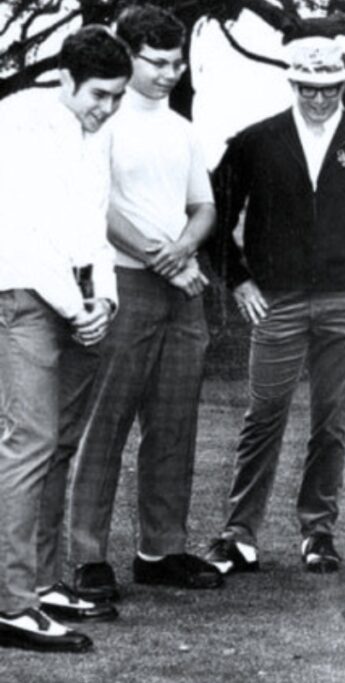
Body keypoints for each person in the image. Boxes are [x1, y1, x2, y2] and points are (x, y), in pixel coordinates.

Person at [203, 36, 345, 575]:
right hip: (277, 301)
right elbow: (213, 213)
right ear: (292, 83)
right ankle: (239, 535)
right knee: (263, 416)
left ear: (343, 84)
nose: (319, 99)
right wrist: (238, 280)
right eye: (308, 89)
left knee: (330, 422)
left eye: (330, 89)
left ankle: (318, 532)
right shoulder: (256, 141)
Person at [65, 5, 221, 605]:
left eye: (177, 63)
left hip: (182, 291)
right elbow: (98, 208)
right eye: (156, 62)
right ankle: (87, 557)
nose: (168, 74)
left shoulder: (182, 129)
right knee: (106, 423)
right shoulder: (103, 121)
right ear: (127, 55)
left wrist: (184, 249)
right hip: (123, 285)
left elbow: (202, 207)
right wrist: (165, 259)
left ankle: (160, 551)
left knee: (174, 422)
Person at [0, 26, 131, 653]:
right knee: (29, 443)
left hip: (77, 299)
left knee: (59, 444)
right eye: (98, 94)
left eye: (117, 97)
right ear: (66, 79)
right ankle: (9, 603)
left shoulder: (97, 136)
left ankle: (44, 583)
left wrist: (104, 298)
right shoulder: (17, 120)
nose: (107, 108)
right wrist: (77, 306)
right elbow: (20, 231)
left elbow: (92, 228)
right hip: (23, 294)